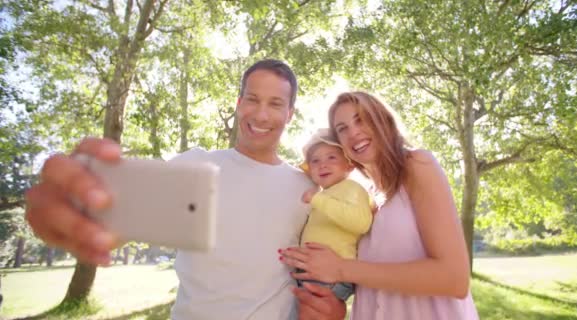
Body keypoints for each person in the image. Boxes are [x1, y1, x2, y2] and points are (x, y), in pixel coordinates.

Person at [24, 59, 346, 320]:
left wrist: (333, 306)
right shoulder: (193, 166)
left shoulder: (309, 188)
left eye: (275, 104)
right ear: (238, 103)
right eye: (252, 99)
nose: (261, 114)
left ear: (289, 114)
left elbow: (330, 262)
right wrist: (76, 210)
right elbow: (119, 221)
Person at [280, 91, 479, 319]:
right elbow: (375, 278)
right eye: (342, 129)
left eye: (361, 119)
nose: (353, 132)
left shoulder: (417, 165)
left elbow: (454, 278)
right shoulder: (367, 196)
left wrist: (341, 268)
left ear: (383, 120)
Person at [292, 128, 372, 301]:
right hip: (310, 272)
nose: (323, 164)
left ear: (349, 164)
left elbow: (361, 223)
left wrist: (319, 200)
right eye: (315, 161)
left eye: (332, 157)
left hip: (330, 276)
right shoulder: (322, 194)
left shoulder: (352, 188)